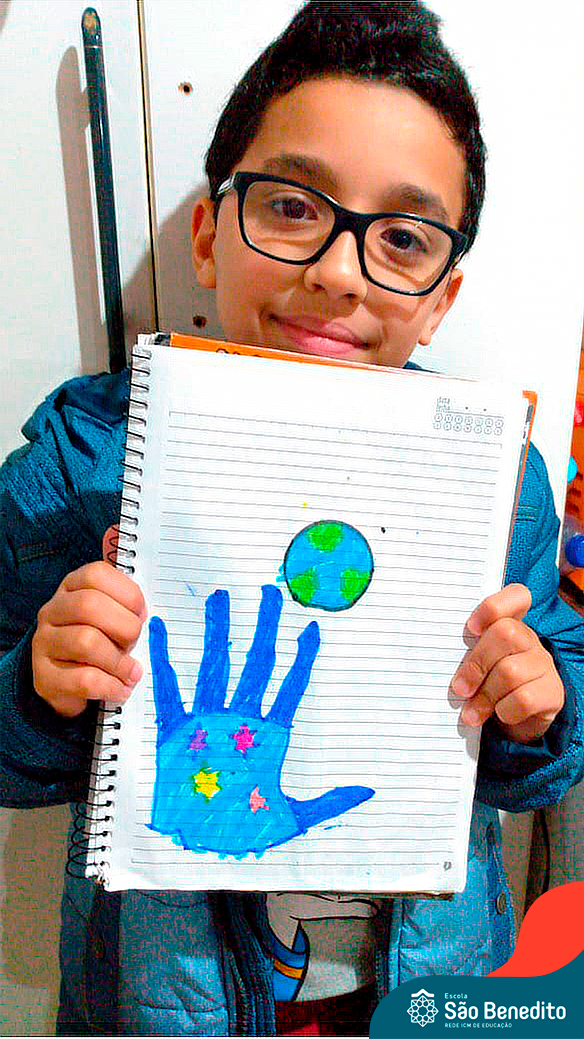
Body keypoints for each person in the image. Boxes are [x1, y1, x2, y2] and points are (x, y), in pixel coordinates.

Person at [1, 2, 583, 1035]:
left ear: (440, 299)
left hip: (427, 987)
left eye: (401, 237)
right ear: (207, 236)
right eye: (289, 206)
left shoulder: (495, 474)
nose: (338, 271)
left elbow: (550, 720)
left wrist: (541, 708)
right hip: (164, 1002)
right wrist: (40, 688)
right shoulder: (89, 456)